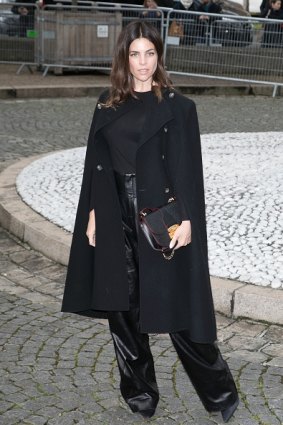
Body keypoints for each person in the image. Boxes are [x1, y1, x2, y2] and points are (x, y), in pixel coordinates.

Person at [61, 20, 239, 422]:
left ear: (160, 56)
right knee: (121, 309)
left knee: (177, 308)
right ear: (125, 58)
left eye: (150, 53)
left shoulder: (179, 107)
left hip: (159, 216)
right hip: (111, 212)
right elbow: (96, 164)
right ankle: (140, 395)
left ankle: (220, 393)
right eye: (135, 54)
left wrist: (189, 219)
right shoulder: (107, 103)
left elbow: (189, 170)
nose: (143, 63)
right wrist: (91, 212)